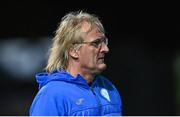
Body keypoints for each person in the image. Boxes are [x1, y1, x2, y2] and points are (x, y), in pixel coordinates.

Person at [29, 10, 123, 116]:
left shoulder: (108, 87)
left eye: (104, 42)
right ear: (73, 51)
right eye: (96, 43)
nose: (106, 49)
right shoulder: (51, 95)